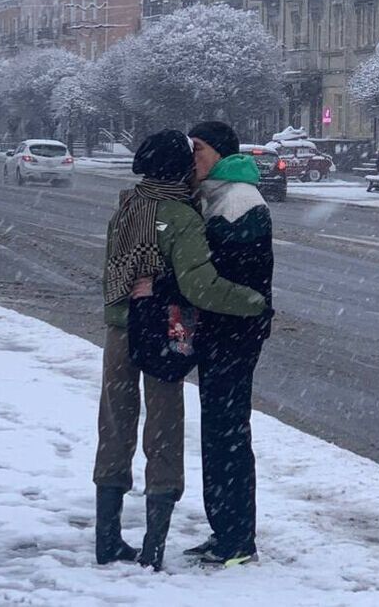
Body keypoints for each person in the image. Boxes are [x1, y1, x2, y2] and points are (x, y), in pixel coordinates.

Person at [94, 130, 267, 572]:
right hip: (160, 332)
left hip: (118, 327)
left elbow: (118, 265)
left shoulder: (128, 204)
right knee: (164, 432)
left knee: (115, 425)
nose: (195, 164)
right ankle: (154, 546)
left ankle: (108, 537)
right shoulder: (181, 214)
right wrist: (255, 303)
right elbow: (199, 285)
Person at [181, 121, 275, 568]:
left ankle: (237, 539)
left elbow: (226, 275)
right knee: (220, 433)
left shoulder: (238, 201)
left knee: (229, 435)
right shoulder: (217, 193)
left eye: (197, 149)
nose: (191, 156)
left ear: (218, 152)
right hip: (224, 330)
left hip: (234, 332)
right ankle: (226, 530)